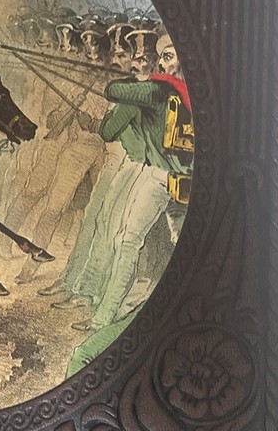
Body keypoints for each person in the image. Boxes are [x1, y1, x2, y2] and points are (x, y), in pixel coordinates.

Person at [49, 33, 194, 335]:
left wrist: (140, 81)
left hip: (157, 175)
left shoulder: (156, 89)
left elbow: (112, 91)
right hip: (183, 180)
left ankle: (102, 316)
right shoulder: (192, 92)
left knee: (126, 242)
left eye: (165, 57)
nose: (160, 63)